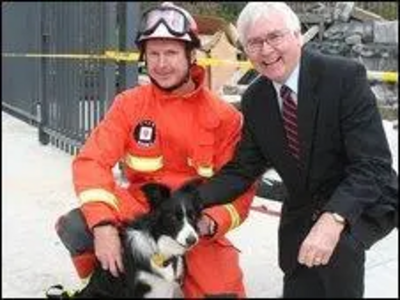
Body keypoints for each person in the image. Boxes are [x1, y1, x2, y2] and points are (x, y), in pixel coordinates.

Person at [193, 2, 398, 298]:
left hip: (363, 196)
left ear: (297, 36)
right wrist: (191, 200)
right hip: (304, 203)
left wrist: (334, 218)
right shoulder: (256, 98)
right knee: (298, 277)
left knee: (338, 253)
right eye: (254, 43)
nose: (266, 50)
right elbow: (243, 169)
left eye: (275, 37)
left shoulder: (343, 78)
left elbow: (373, 165)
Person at [54, 2, 256, 298]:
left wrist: (211, 221)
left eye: (171, 53)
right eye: (153, 54)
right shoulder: (129, 105)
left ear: (191, 56)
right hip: (138, 217)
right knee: (77, 226)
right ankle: (106, 284)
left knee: (221, 294)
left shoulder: (225, 118)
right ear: (143, 57)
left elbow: (241, 188)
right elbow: (91, 161)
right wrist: (104, 223)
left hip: (195, 224)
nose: (161, 64)